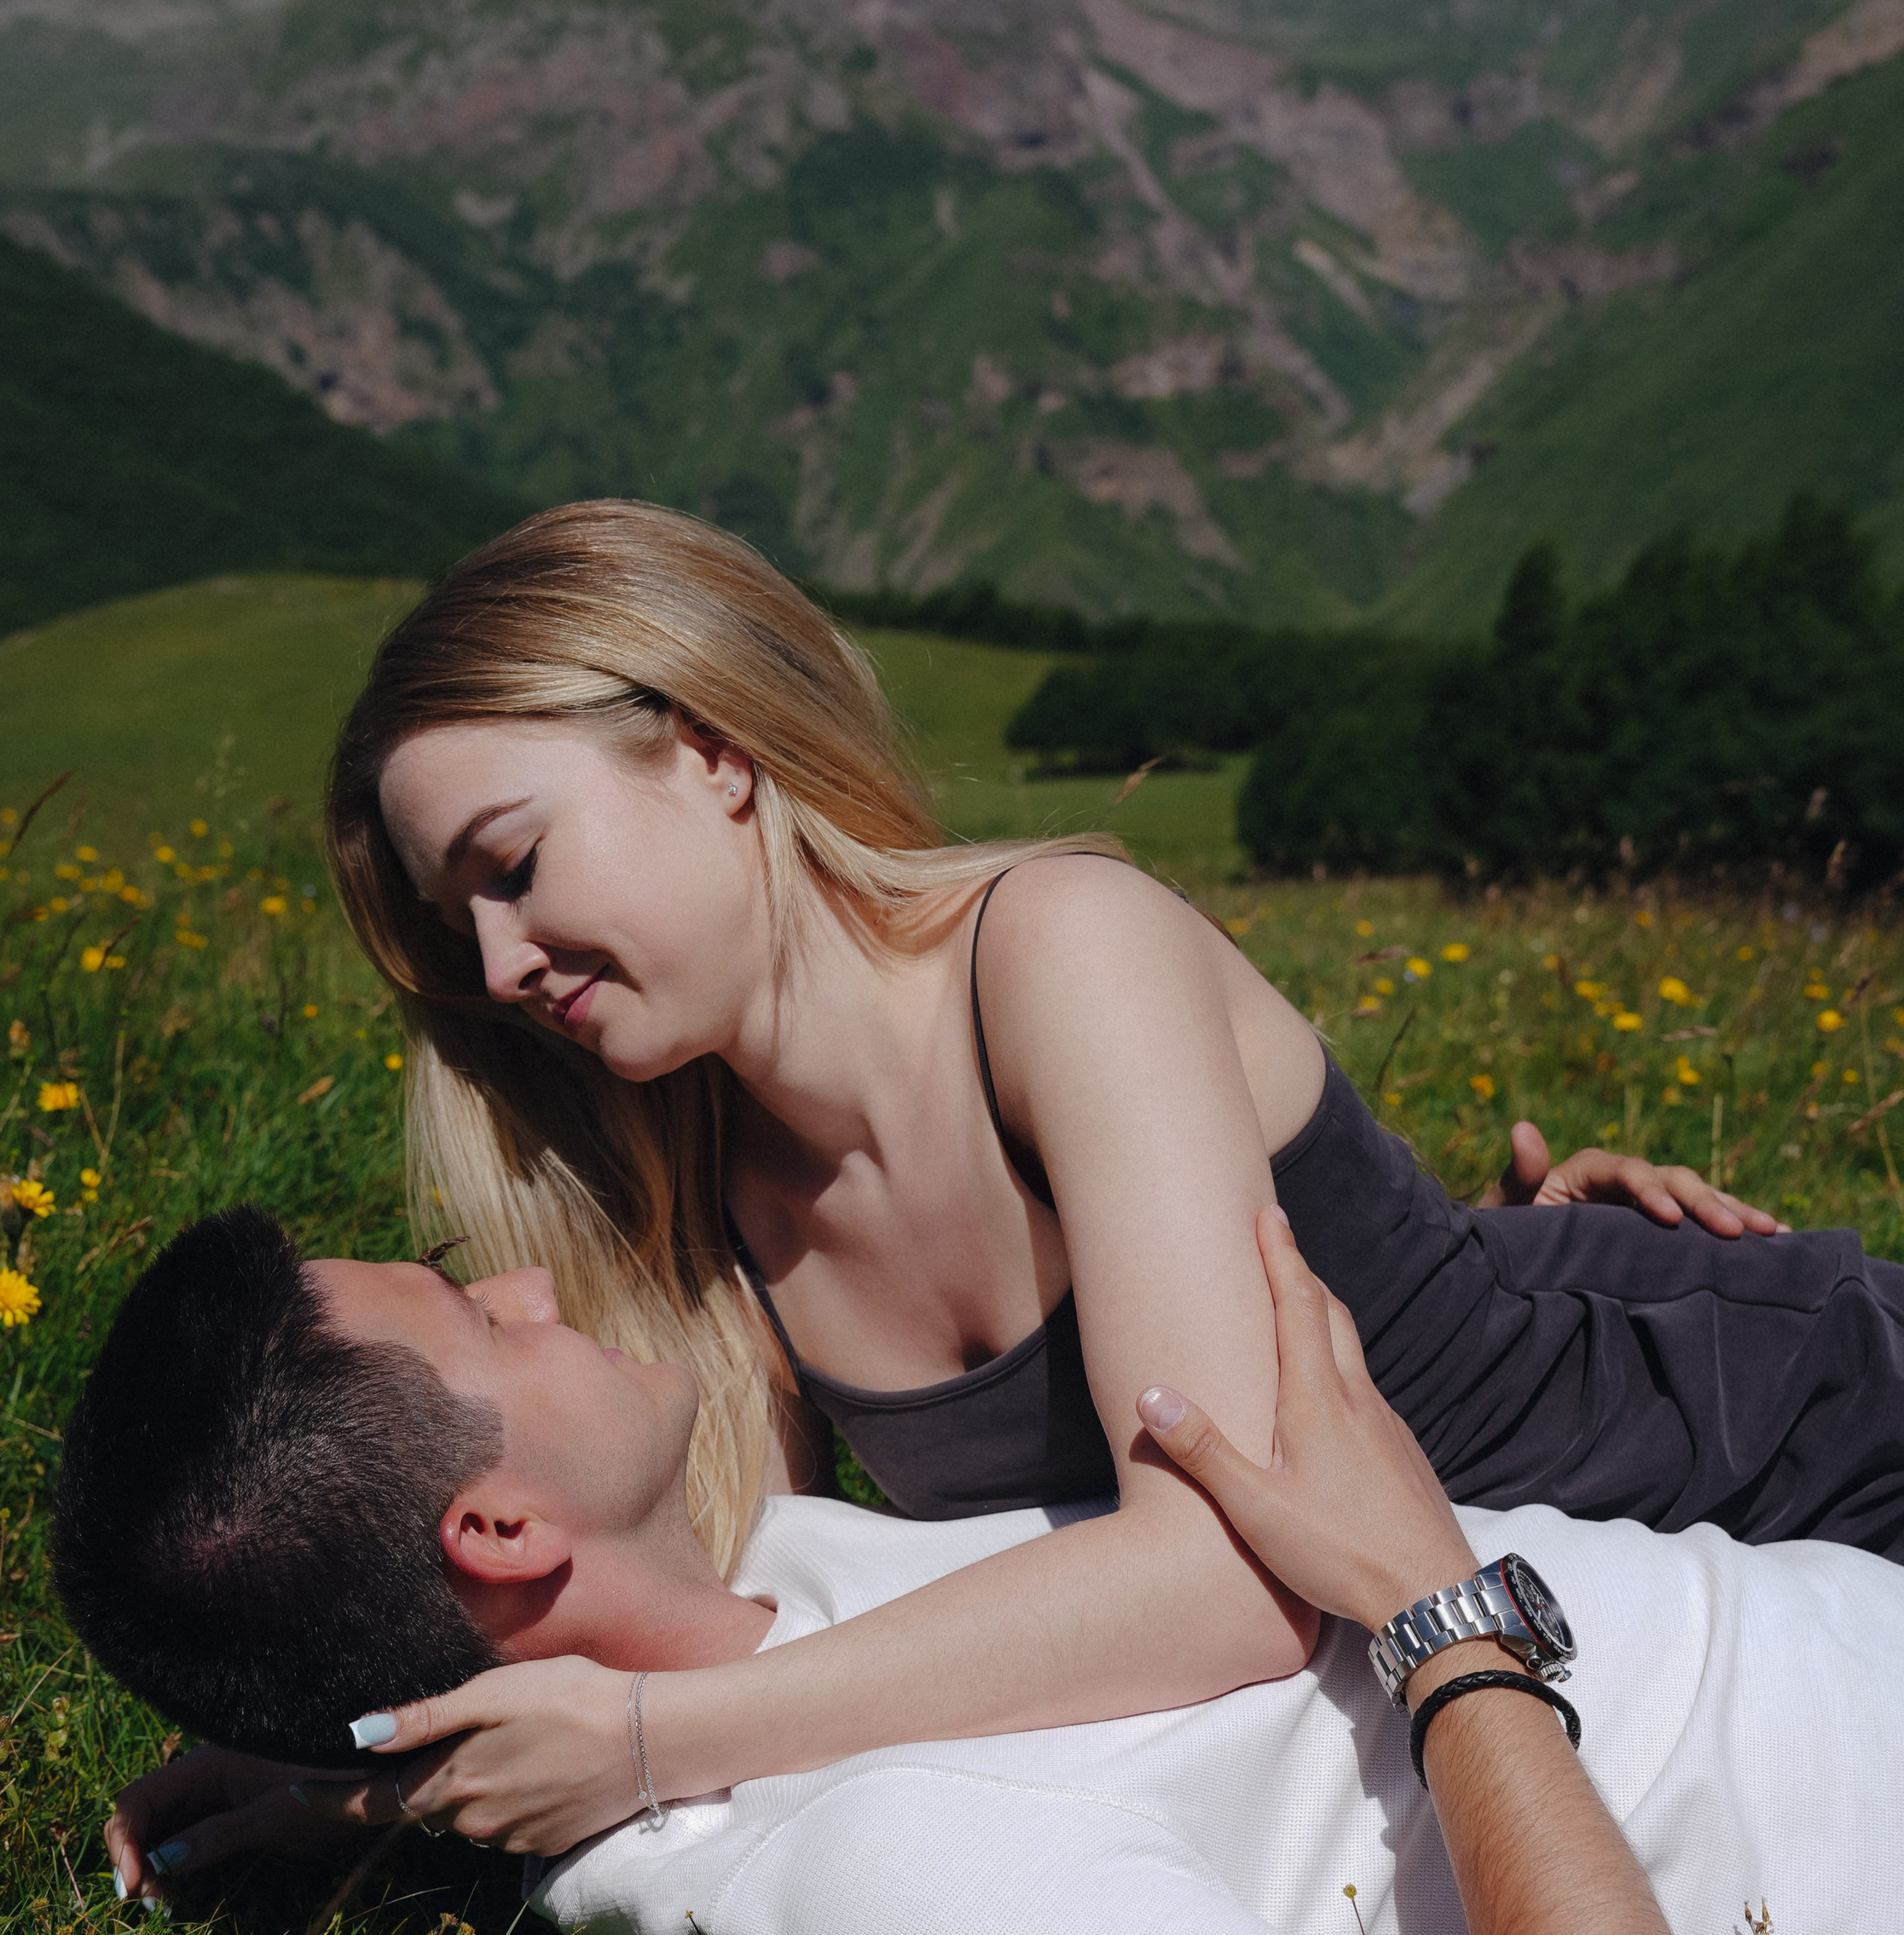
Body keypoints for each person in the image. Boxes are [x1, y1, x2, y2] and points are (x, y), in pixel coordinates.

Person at [73, 1208, 1902, 1935]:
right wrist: (1435, 1615)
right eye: (483, 1316)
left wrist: (360, 1758)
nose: (533, 1281)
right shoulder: (890, 1893)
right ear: (494, 1531)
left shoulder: (758, 1631)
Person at [308, 498, 1904, 1840]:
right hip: (1592, 1647)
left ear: (713, 748)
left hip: (1780, 1438)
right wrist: (360, 1769)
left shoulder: (1059, 950)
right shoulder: (713, 1207)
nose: (504, 959)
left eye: (513, 867)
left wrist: (657, 1738)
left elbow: (1229, 1574)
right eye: (465, 928)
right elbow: (704, 1599)